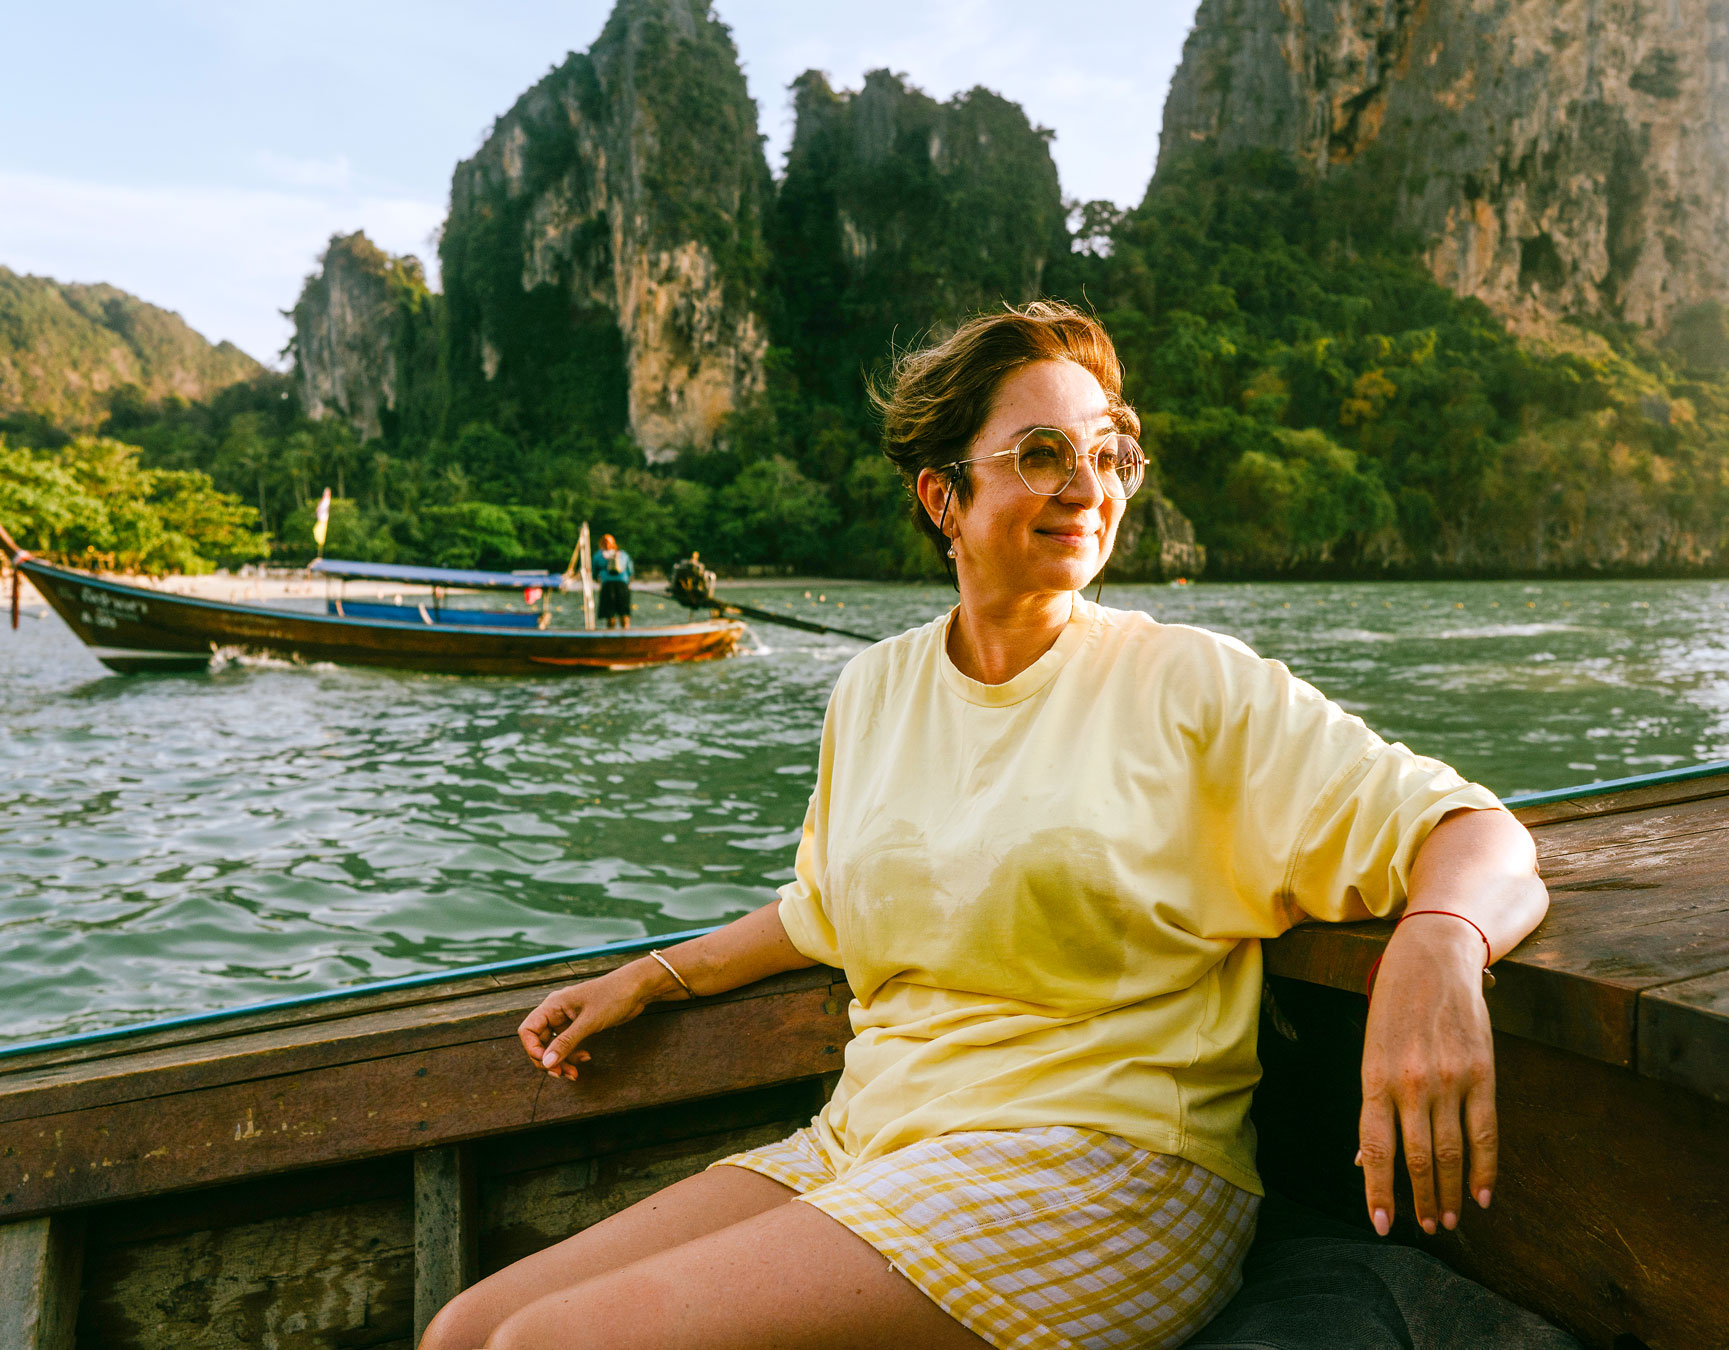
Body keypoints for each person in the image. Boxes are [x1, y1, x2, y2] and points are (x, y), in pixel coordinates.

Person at [422, 302, 1548, 1350]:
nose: (1086, 486)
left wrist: (1439, 945)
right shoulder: (875, 689)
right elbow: (825, 909)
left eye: (1108, 454)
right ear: (942, 497)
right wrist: (656, 978)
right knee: (467, 1331)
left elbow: (1468, 826)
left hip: (1112, 1164)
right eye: (1042, 455)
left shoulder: (1187, 683)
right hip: (874, 1139)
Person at [597, 532, 632, 629]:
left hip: (607, 585)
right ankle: (626, 633)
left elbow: (594, 571)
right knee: (624, 613)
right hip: (622, 584)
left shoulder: (599, 556)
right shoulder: (623, 554)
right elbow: (630, 570)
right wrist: (628, 583)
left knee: (609, 614)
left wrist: (598, 580)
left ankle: (611, 634)